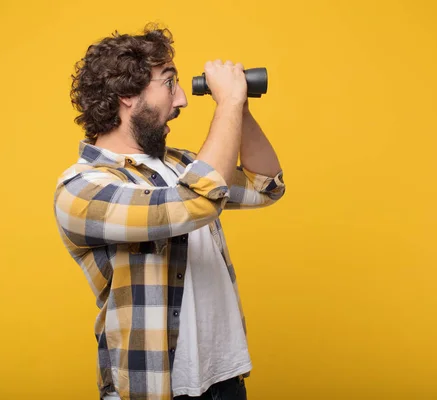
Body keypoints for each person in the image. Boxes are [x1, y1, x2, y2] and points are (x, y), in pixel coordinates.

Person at [53, 23, 285, 400]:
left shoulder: (182, 166)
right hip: (155, 388)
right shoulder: (81, 188)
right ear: (127, 94)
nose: (182, 99)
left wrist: (238, 105)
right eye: (168, 82)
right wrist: (225, 102)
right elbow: (198, 202)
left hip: (225, 381)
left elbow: (266, 185)